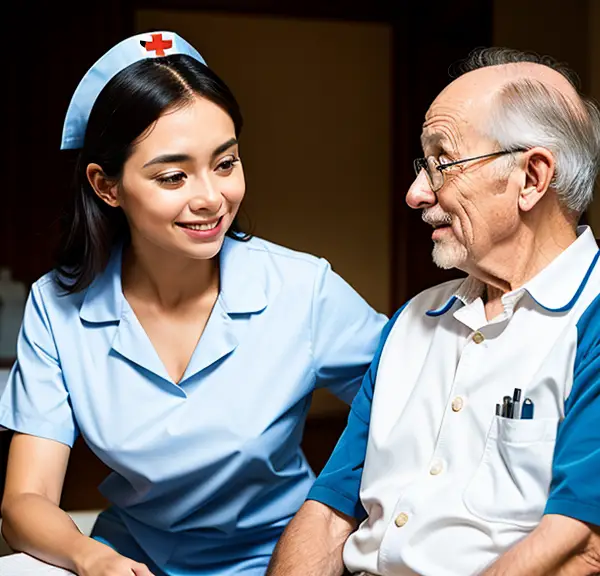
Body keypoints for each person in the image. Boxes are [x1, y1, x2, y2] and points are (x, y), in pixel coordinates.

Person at [0, 31, 387, 576]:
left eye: (225, 164)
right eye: (173, 176)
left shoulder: (303, 289)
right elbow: (24, 502)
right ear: (106, 186)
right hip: (128, 560)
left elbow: (417, 399)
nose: (210, 197)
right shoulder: (57, 308)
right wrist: (93, 559)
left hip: (279, 561)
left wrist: (338, 508)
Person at [267, 47, 600, 576]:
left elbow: (580, 547)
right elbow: (330, 514)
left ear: (532, 178)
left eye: (443, 163)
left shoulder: (592, 320)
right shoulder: (412, 320)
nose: (416, 193)